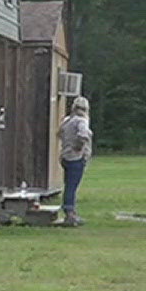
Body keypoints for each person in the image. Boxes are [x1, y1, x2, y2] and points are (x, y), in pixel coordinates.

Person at [57, 96, 93, 227]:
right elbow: (83, 135)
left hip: (65, 156)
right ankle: (70, 213)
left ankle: (69, 211)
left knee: (69, 185)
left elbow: (59, 133)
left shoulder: (67, 120)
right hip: (76, 158)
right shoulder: (82, 121)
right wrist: (78, 147)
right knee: (72, 186)